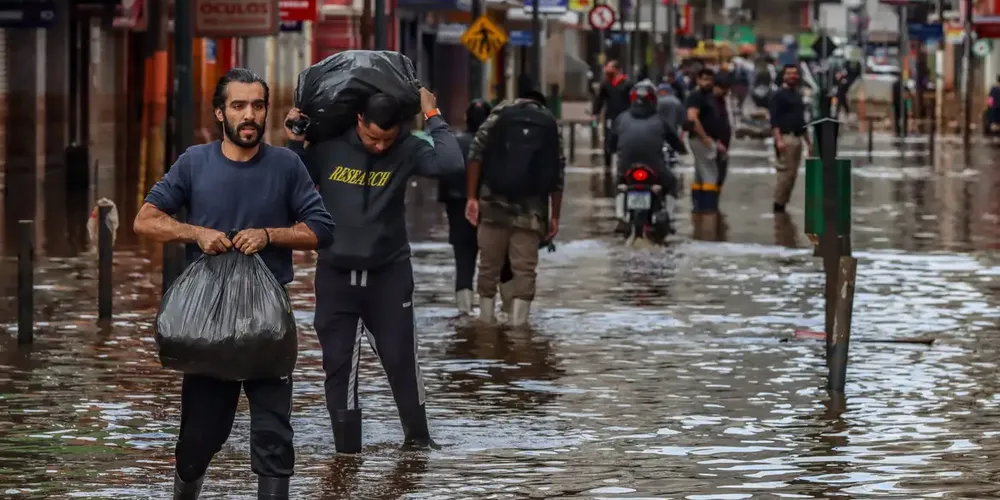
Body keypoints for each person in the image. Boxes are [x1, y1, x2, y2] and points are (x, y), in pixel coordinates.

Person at [133, 68, 336, 500]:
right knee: (200, 439)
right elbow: (145, 220)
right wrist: (196, 233)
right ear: (220, 113)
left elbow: (321, 229)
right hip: (206, 324)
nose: (250, 115)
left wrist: (269, 235)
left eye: (258, 106)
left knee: (274, 436)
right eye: (239, 106)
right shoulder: (194, 162)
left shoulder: (286, 165)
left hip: (267, 324)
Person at [284, 87, 463, 454]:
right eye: (371, 137)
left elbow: (451, 165)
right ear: (359, 120)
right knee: (339, 365)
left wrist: (433, 116)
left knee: (401, 360)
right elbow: (289, 179)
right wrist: (295, 139)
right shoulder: (329, 147)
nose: (379, 146)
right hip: (335, 275)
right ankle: (346, 455)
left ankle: (417, 444)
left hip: (389, 275)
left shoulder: (408, 149)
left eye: (387, 138)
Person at [465, 89, 565, 327]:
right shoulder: (550, 123)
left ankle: (486, 323)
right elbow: (558, 173)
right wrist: (555, 216)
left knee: (488, 266)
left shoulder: (500, 113)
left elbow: (475, 153)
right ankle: (519, 330)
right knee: (524, 270)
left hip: (493, 205)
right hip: (532, 212)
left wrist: (472, 197)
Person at [441, 99, 514, 314]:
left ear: (466, 118)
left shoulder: (454, 143)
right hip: (493, 210)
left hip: (458, 210)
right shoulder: (500, 145)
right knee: (502, 264)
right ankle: (508, 313)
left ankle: (463, 313)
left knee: (464, 263)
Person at [768, 64, 811, 213]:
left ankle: (783, 205)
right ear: (784, 76)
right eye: (789, 73)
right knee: (784, 174)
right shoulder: (778, 95)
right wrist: (778, 139)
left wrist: (809, 143)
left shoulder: (798, 95)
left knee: (793, 175)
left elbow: (801, 121)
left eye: (795, 73)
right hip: (785, 138)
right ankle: (778, 205)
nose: (793, 76)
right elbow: (773, 120)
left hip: (798, 139)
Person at [685, 68, 728, 213]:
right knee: (710, 174)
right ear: (697, 80)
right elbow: (692, 118)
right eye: (703, 79)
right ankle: (709, 209)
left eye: (709, 79)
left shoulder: (709, 96)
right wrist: (705, 138)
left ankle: (698, 207)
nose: (707, 82)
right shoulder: (696, 96)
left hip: (708, 140)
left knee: (700, 173)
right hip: (700, 140)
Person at [592, 60, 634, 167]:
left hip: (624, 116)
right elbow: (599, 99)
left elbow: (632, 100)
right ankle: (608, 163)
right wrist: (595, 113)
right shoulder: (606, 84)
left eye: (610, 69)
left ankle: (623, 162)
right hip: (610, 116)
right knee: (608, 138)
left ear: (617, 70)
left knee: (623, 139)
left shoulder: (627, 83)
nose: (608, 72)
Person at [712, 74, 733, 190]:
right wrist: (716, 142)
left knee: (721, 176)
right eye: (724, 89)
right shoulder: (710, 102)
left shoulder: (722, 100)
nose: (726, 91)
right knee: (714, 176)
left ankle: (714, 202)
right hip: (714, 145)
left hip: (723, 146)